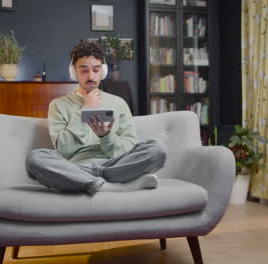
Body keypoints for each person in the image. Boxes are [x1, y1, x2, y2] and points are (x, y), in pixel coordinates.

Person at [25, 40, 167, 194]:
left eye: (96, 69)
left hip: (114, 165)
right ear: (74, 72)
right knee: (35, 159)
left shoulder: (118, 103)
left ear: (103, 71)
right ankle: (112, 186)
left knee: (157, 149)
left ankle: (87, 183)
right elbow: (63, 150)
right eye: (84, 70)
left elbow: (128, 149)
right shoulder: (58, 105)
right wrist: (86, 108)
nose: (91, 76)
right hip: (75, 167)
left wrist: (106, 136)